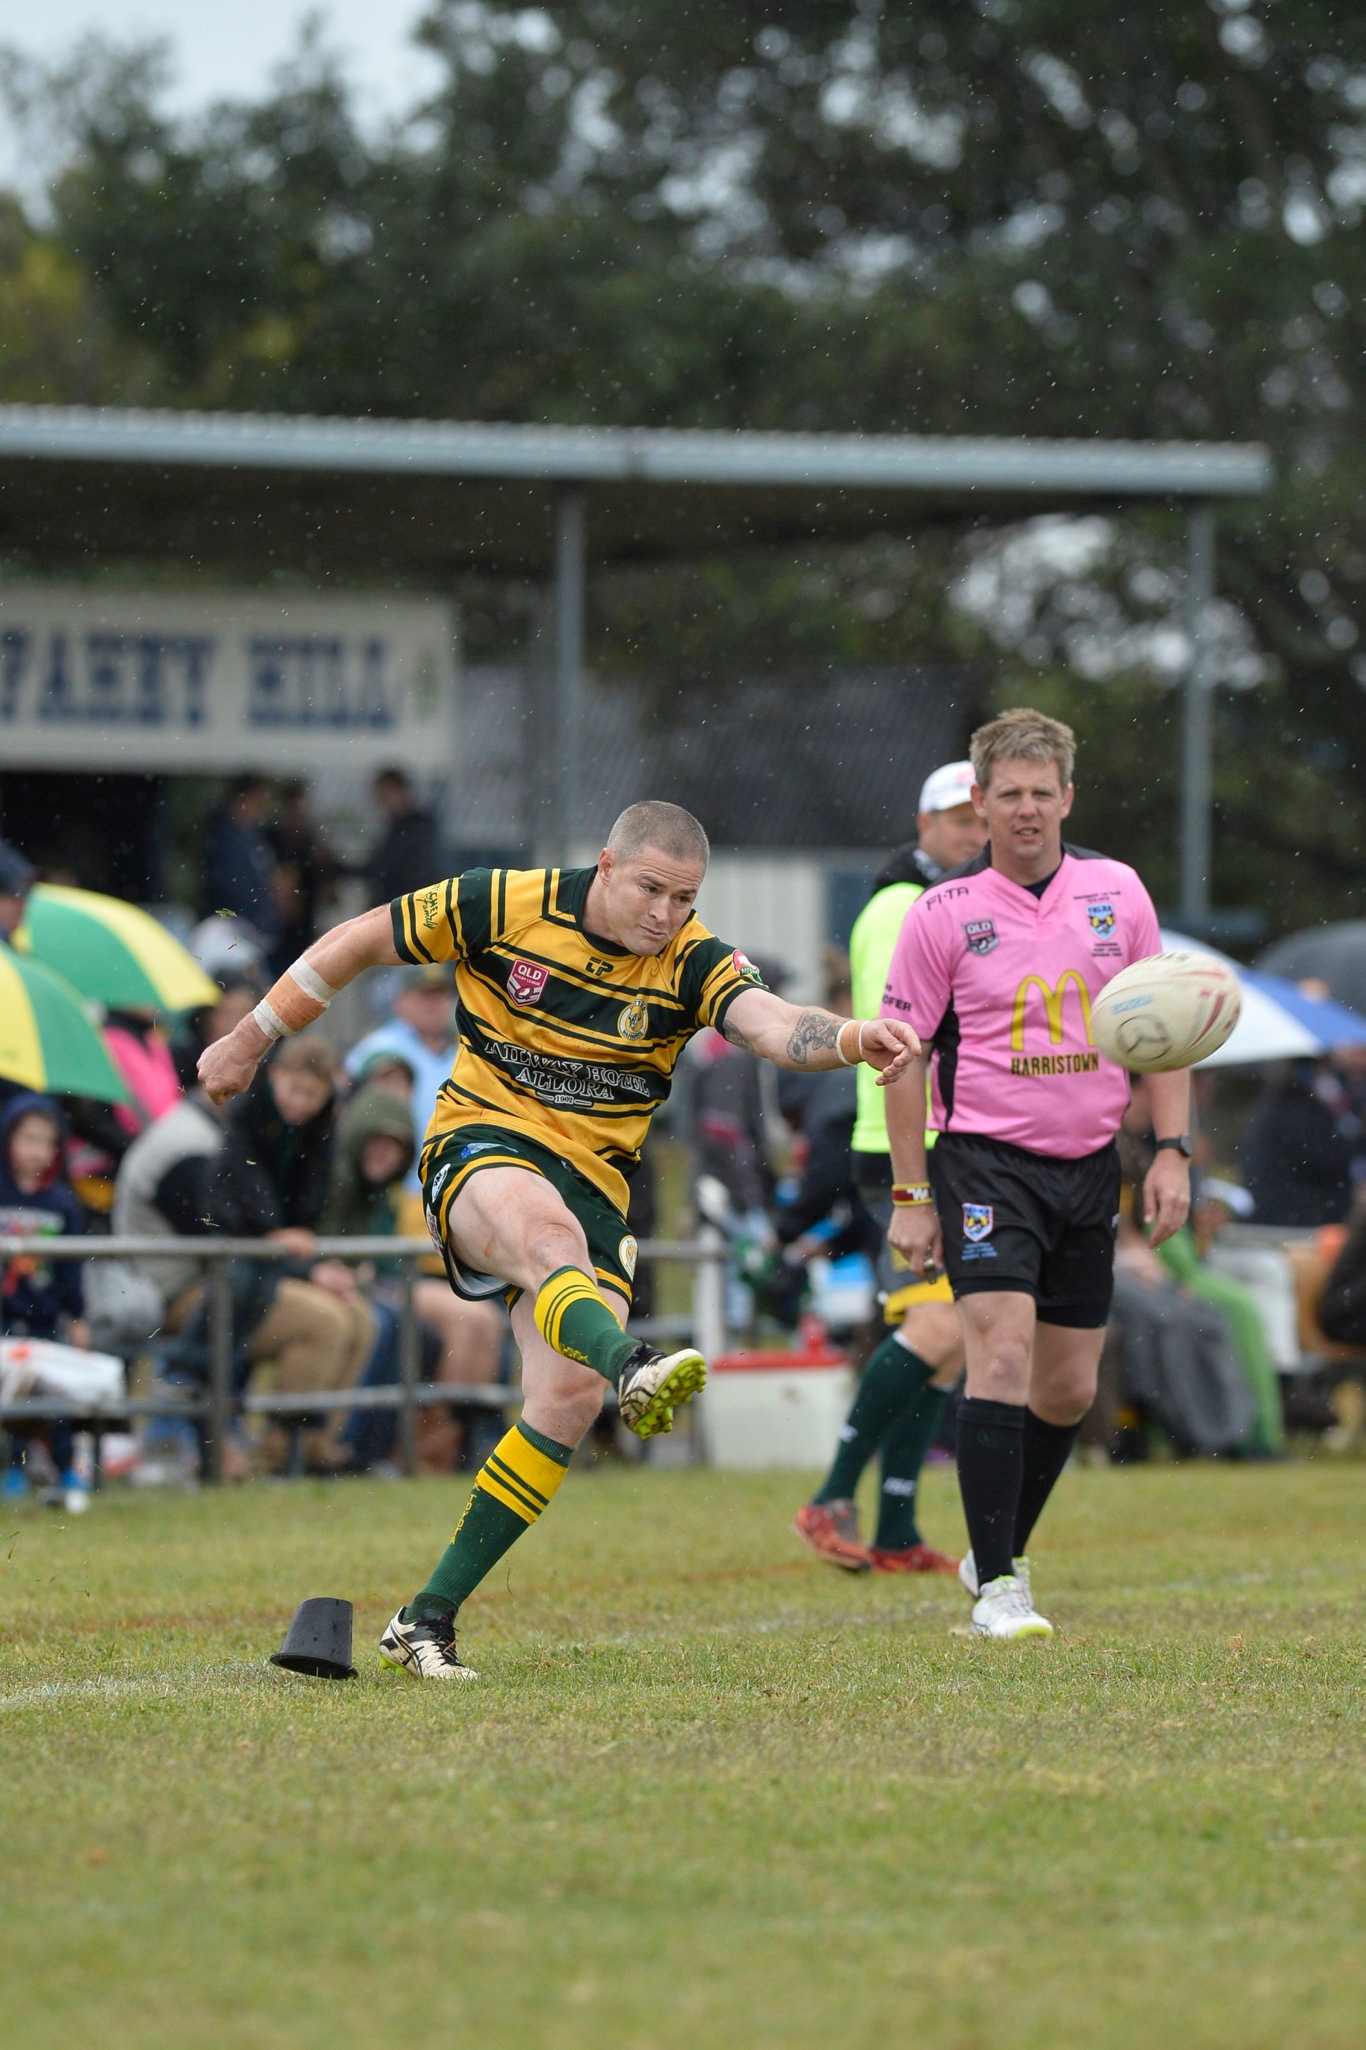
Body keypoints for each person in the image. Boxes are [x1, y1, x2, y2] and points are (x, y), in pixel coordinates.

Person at [198, 799, 920, 1679]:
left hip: (599, 1185)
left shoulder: (692, 959)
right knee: (548, 1244)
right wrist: (249, 1037)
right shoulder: (501, 903)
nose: (666, 914)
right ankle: (632, 1361)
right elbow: (354, 939)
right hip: (482, 1142)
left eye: (685, 897)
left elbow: (770, 1024)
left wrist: (851, 1036)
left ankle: (426, 1619)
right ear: (606, 868)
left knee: (565, 1401)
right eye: (651, 889)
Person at [882, 708, 1191, 1639]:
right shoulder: (942, 914)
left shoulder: (1118, 892)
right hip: (983, 1163)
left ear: (1067, 797)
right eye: (1006, 795)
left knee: (1068, 1389)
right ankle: (1000, 1588)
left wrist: (1172, 1151)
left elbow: (1163, 1030)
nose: (1025, 810)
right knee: (1002, 1353)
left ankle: (995, 1543)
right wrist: (910, 1194)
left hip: (1091, 1166)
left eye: (1040, 794)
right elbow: (899, 1057)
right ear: (978, 803)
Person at [795, 760, 987, 1575]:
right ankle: (831, 1496)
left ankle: (898, 1528)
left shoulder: (953, 899)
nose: (973, 830)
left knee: (951, 1339)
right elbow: (902, 1032)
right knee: (937, 1326)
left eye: (981, 817)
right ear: (923, 824)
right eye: (958, 817)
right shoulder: (902, 907)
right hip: (902, 1144)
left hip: (947, 1140)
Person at [0, 1093, 88, 1504]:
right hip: (4, 1317)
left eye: (45, 1141)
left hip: (43, 1316)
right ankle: (11, 1469)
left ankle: (66, 1468)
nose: (36, 1150)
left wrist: (77, 1314)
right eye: (27, 1138)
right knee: (8, 1396)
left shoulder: (63, 1203)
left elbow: (71, 1270)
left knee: (51, 1395)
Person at [345, 964, 458, 1194]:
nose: (434, 1005)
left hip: (453, 1187)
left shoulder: (464, 1050)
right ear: (400, 1001)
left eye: (441, 995)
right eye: (425, 996)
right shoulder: (377, 1048)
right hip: (395, 1187)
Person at [199, 775, 280, 955]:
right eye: (259, 800)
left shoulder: (251, 836)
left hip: (251, 931)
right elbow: (231, 886)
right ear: (244, 798)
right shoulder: (225, 839)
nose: (261, 808)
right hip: (234, 929)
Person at [363, 768, 441, 908]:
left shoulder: (414, 828)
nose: (383, 803)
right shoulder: (403, 827)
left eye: (385, 796)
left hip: (409, 905)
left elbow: (386, 867)